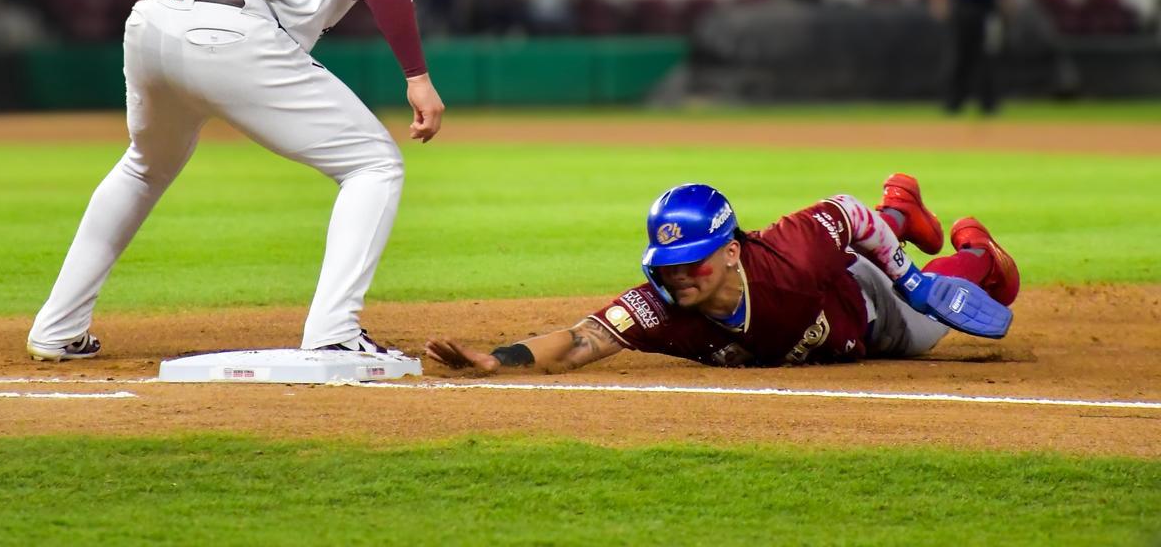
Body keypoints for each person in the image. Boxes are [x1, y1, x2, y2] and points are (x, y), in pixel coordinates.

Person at [28, 0, 445, 361]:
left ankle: (56, 327)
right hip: (234, 29)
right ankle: (334, 332)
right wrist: (416, 76)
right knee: (374, 164)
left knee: (144, 165)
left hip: (155, 17)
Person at [426, 174, 1019, 373]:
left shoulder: (790, 256)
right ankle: (904, 209)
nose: (680, 275)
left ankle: (979, 250)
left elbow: (847, 213)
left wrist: (912, 281)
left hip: (868, 307)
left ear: (731, 251)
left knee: (932, 317)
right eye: (668, 265)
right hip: (835, 298)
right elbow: (581, 340)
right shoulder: (660, 307)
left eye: (694, 261)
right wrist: (498, 359)